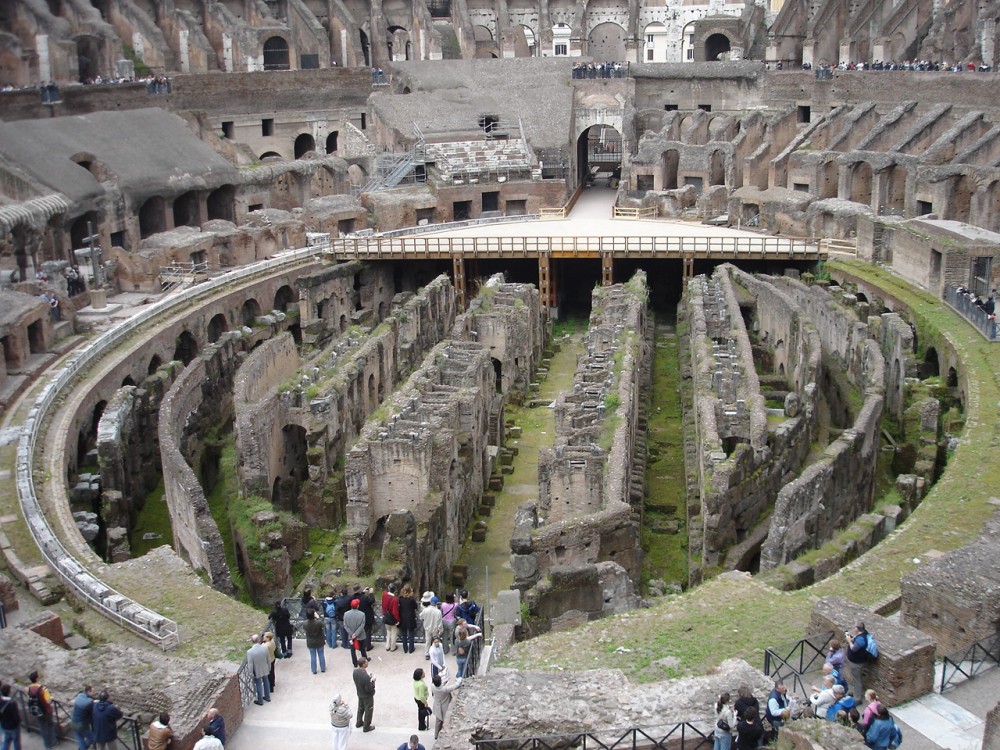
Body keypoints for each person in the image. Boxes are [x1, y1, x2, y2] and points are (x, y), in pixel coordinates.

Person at [27, 672, 56, 750]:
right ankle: (52, 743)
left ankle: (47, 744)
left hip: (37, 710)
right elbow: (48, 701)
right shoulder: (42, 688)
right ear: (36, 678)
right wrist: (51, 699)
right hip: (46, 710)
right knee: (50, 725)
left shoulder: (29, 688)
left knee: (43, 727)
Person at [430, 673, 461, 739]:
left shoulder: (432, 686)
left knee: (438, 721)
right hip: (445, 707)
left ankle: (436, 735)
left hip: (437, 706)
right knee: (445, 721)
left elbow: (439, 686)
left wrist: (444, 681)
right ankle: (444, 736)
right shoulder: (445, 689)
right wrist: (459, 680)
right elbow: (455, 685)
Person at [845, 622, 871, 698]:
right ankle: (856, 693)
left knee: (857, 680)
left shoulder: (861, 640)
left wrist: (849, 641)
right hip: (857, 661)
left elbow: (853, 649)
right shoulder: (863, 634)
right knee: (856, 679)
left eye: (855, 627)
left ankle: (857, 698)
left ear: (858, 629)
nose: (854, 629)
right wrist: (852, 639)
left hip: (857, 663)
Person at [352, 657, 376, 732]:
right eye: (366, 662)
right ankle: (366, 726)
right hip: (367, 696)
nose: (367, 663)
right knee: (368, 710)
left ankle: (359, 722)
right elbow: (368, 689)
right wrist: (372, 682)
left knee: (360, 708)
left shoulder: (355, 672)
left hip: (360, 693)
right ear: (363, 664)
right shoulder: (365, 677)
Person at [247, 633, 272, 704]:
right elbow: (268, 659)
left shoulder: (250, 652)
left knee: (258, 685)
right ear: (259, 640)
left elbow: (250, 664)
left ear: (252, 641)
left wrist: (251, 673)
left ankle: (260, 700)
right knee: (266, 682)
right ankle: (267, 697)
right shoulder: (265, 647)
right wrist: (269, 667)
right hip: (265, 668)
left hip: (256, 671)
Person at [344, 598, 369, 667]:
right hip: (360, 635)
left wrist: (352, 634)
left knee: (352, 650)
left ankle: (355, 663)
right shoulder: (362, 614)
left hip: (351, 636)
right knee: (362, 649)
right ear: (358, 606)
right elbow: (362, 625)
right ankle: (364, 661)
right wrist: (356, 634)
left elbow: (345, 625)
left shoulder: (346, 614)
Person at [70, 685, 95, 750]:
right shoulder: (89, 702)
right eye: (93, 692)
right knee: (92, 737)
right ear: (88, 691)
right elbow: (92, 712)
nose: (94, 693)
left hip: (73, 722)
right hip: (82, 724)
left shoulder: (80, 695)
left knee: (80, 739)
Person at [419, 593, 443, 660]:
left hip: (427, 628)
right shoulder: (438, 612)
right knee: (435, 641)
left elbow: (421, 616)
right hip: (435, 629)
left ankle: (427, 654)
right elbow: (440, 623)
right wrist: (441, 630)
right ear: (436, 603)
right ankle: (435, 653)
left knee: (428, 641)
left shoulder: (425, 610)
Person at [305, 608, 327, 674]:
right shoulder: (318, 622)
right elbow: (324, 625)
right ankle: (323, 668)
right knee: (321, 654)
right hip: (319, 640)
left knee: (312, 656)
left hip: (310, 641)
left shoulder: (305, 623)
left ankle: (314, 670)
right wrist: (318, 618)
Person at [398, 584, 418, 655]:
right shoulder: (411, 599)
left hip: (402, 618)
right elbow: (416, 606)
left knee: (404, 634)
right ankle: (411, 649)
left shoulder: (400, 599)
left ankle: (405, 649)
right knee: (411, 633)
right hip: (410, 618)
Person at [0, 683, 21, 750]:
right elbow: (16, 716)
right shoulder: (12, 703)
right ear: (9, 692)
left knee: (6, 741)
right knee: (16, 742)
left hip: (4, 725)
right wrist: (18, 722)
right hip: (13, 726)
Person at [382, 583, 400, 652]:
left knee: (388, 632)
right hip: (392, 619)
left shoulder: (384, 594)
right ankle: (393, 647)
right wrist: (397, 620)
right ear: (394, 590)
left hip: (386, 616)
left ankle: (387, 646)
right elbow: (395, 612)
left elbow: (383, 606)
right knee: (393, 633)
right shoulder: (395, 599)